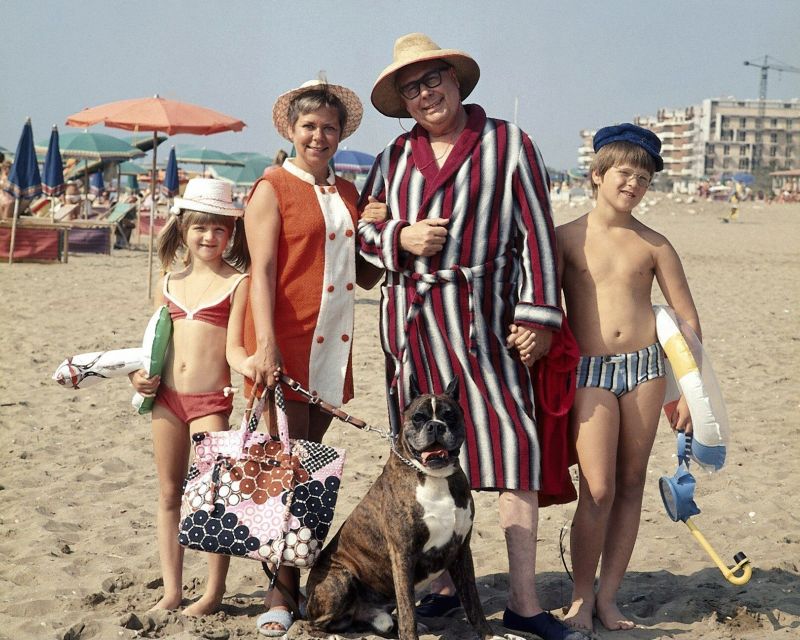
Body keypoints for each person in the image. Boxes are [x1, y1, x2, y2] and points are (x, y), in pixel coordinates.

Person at [358, 33, 586, 640]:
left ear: (456, 82)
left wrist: (539, 315)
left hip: (488, 325)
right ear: (402, 102)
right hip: (410, 329)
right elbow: (362, 234)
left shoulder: (508, 144)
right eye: (412, 88)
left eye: (434, 80)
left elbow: (539, 234)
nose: (426, 94)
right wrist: (397, 238)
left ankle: (524, 602)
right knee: (423, 461)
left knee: (514, 454)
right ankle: (437, 589)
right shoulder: (391, 158)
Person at [243, 77, 385, 637]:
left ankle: (299, 582)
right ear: (290, 130)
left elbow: (367, 275)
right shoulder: (271, 186)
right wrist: (266, 345)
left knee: (308, 472)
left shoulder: (348, 194)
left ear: (341, 132)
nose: (319, 136)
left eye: (330, 127)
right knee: (286, 474)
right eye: (309, 126)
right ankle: (279, 593)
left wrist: (375, 226)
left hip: (334, 351)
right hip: (287, 346)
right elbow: (262, 275)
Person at [557, 124, 700, 633]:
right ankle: (579, 597)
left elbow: (686, 321)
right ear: (596, 175)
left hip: (645, 370)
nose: (634, 184)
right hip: (588, 373)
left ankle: (609, 597)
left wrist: (688, 393)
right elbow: (539, 307)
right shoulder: (566, 238)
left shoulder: (655, 244)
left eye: (643, 178)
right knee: (597, 488)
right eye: (624, 173)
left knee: (632, 482)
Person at [129, 177, 252, 616]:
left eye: (220, 228)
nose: (210, 237)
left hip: (209, 403)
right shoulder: (168, 281)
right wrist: (138, 377)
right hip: (166, 398)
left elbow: (235, 347)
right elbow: (152, 345)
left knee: (213, 498)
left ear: (231, 233)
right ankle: (172, 591)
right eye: (201, 227)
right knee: (168, 493)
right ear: (183, 228)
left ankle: (213, 592)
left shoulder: (238, 283)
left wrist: (250, 367)